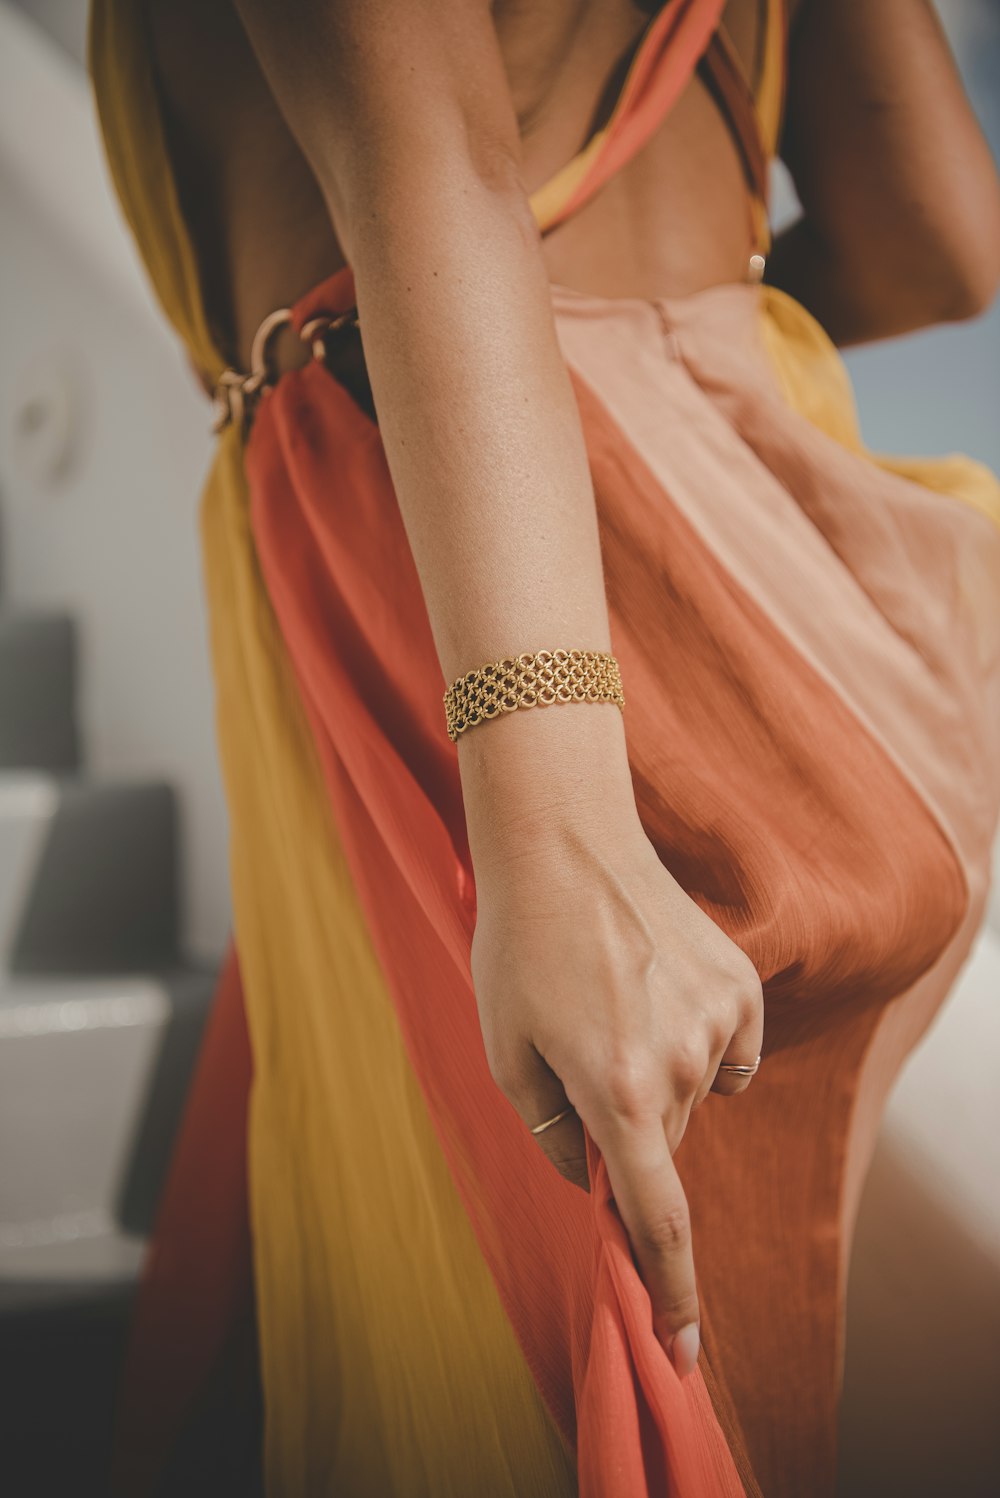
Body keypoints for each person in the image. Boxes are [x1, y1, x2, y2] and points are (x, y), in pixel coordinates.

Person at [88, 1, 1000, 1493]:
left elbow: (434, 151)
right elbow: (941, 235)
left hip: (517, 656)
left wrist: (556, 818)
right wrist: (670, 333)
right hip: (827, 622)